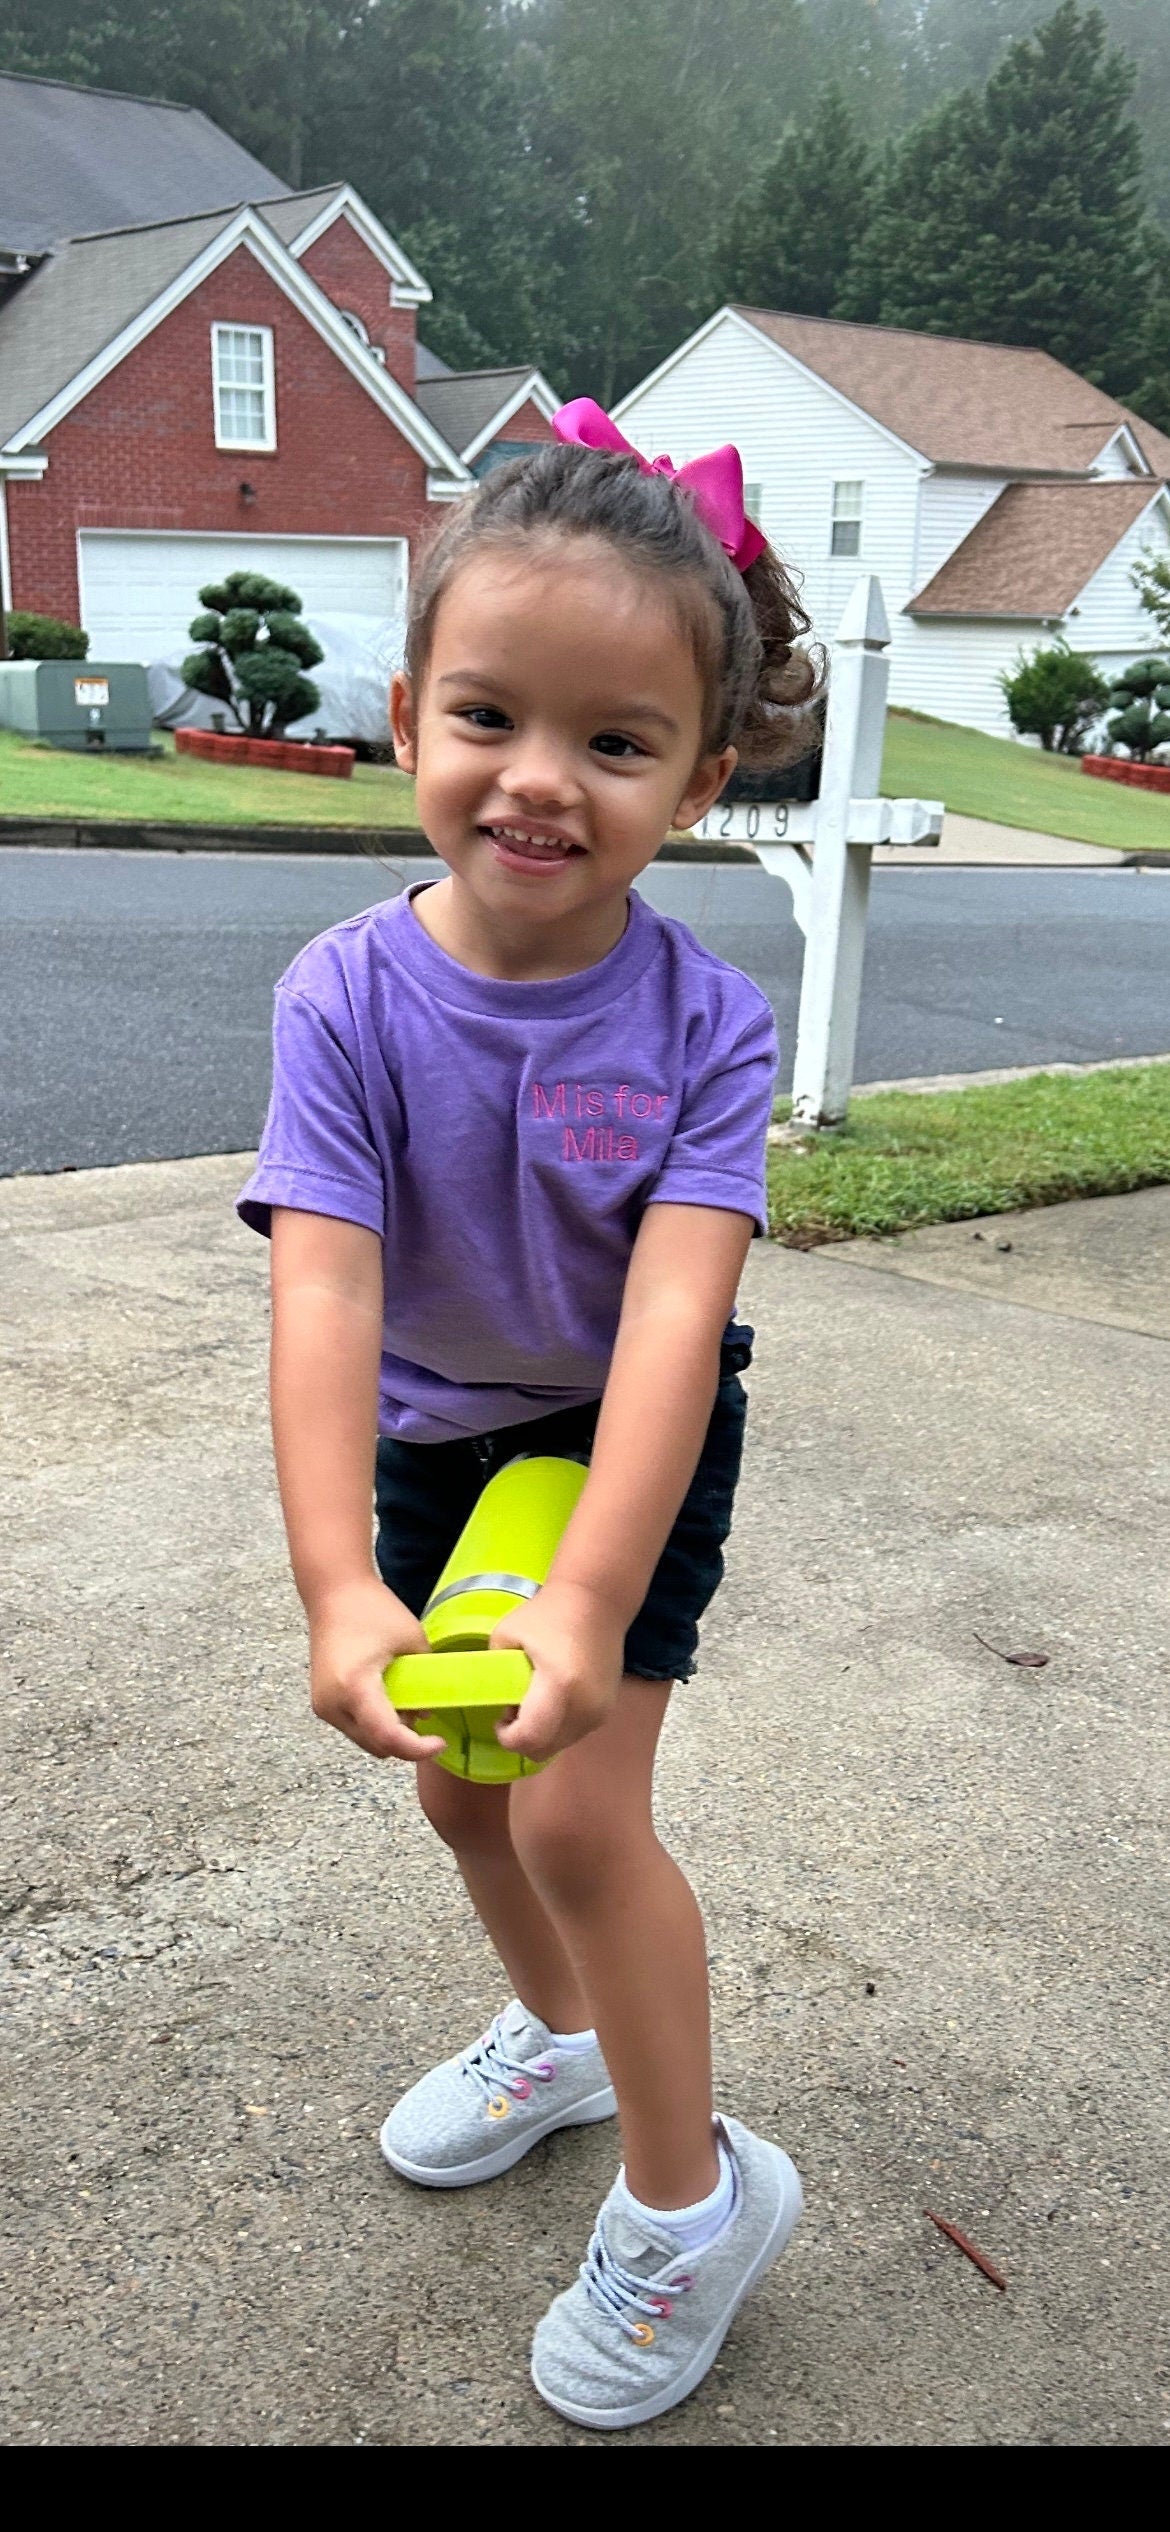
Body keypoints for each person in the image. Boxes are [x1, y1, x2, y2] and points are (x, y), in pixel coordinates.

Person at [238, 400, 817, 2431]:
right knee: (461, 1786)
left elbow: (674, 1317)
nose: (539, 781)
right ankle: (562, 2040)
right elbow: (325, 1282)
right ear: (409, 719)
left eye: (618, 740)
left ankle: (694, 2195)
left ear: (704, 776)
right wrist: (338, 1583)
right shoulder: (344, 1000)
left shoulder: (706, 1025)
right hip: (436, 1429)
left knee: (577, 1801)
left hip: (619, 1426)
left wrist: (587, 1590)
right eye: (491, 714)